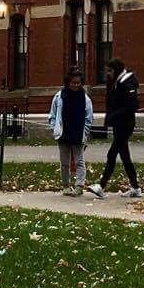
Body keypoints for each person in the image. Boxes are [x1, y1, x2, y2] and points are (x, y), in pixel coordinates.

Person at [91, 58, 141, 198]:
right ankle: (135, 187)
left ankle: (101, 185)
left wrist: (114, 115)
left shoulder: (126, 83)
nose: (108, 73)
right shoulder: (116, 83)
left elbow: (132, 105)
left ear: (117, 70)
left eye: (110, 71)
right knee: (125, 157)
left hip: (125, 124)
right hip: (119, 124)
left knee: (112, 154)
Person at [49, 67, 95, 197]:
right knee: (64, 161)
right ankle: (66, 186)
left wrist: (85, 132)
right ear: (68, 82)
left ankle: (79, 185)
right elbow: (52, 114)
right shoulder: (59, 97)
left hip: (78, 133)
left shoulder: (85, 99)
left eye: (78, 83)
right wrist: (54, 128)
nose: (76, 85)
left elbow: (89, 117)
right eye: (73, 82)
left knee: (79, 160)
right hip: (63, 133)